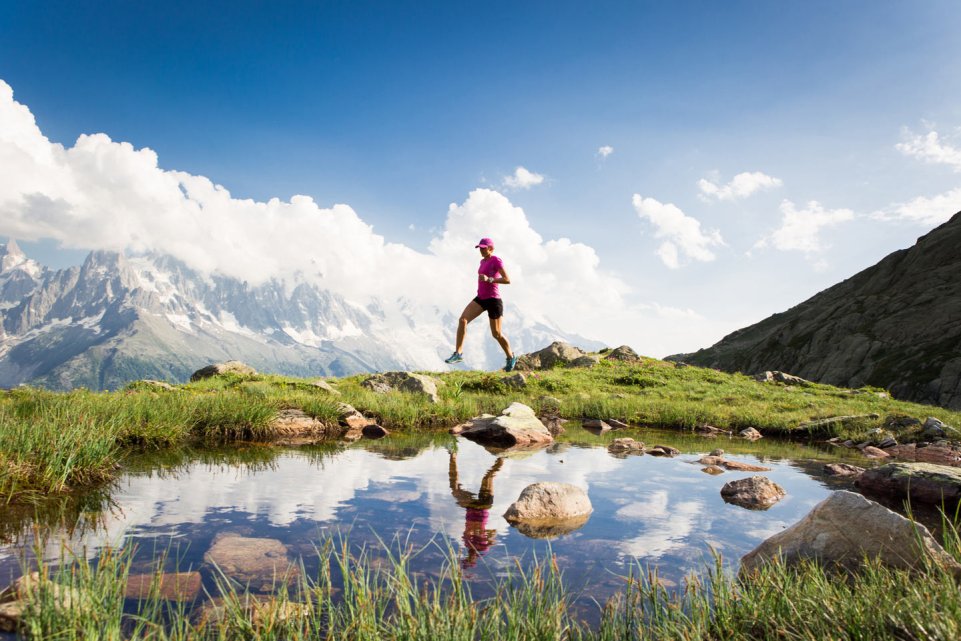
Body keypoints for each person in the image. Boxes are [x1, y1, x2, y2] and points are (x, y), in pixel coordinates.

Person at [444, 238, 518, 372]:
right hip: (481, 298)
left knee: (496, 334)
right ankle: (458, 354)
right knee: (463, 320)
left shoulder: (496, 260)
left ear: (491, 248)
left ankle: (511, 356)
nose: (481, 250)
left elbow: (507, 279)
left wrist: (490, 279)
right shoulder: (482, 261)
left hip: (493, 300)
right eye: (480, 248)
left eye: (484, 248)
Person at [448, 448, 504, 569]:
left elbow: (467, 531)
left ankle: (453, 455)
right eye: (470, 559)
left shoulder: (467, 544)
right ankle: (503, 456)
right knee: (488, 478)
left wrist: (473, 532)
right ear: (474, 560)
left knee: (454, 487)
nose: (469, 557)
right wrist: (485, 534)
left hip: (470, 507)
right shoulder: (483, 548)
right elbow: (493, 533)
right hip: (483, 507)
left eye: (467, 559)